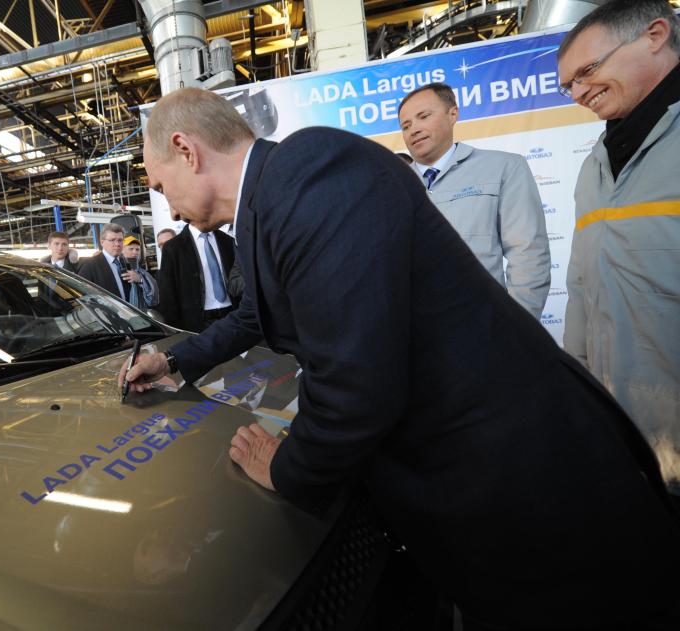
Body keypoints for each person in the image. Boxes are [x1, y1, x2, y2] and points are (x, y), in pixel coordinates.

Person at [122, 87, 680, 629]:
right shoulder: (270, 201)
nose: (162, 201)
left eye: (158, 182)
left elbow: (355, 384)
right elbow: (258, 313)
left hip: (515, 477)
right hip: (479, 468)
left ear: (188, 151)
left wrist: (289, 468)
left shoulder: (310, 172)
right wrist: (176, 363)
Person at [557, 0, 680, 489]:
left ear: (654, 35)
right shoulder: (596, 162)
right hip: (632, 432)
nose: (579, 92)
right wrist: (577, 389)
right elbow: (581, 284)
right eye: (569, 85)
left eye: (587, 71)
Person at [399, 83, 551, 320]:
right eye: (405, 126)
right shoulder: (392, 186)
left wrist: (518, 328)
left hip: (482, 328)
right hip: (412, 340)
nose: (414, 130)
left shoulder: (503, 167)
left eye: (423, 117)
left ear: (453, 114)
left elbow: (528, 253)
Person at [157, 225, 237, 332]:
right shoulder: (172, 247)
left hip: (234, 315)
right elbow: (168, 293)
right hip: (198, 322)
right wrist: (176, 331)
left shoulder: (228, 241)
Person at [78, 223, 129, 300]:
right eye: (112, 240)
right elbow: (82, 296)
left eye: (120, 240)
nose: (117, 244)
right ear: (102, 242)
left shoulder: (125, 263)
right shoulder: (89, 265)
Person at [120, 235, 159, 309]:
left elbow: (153, 299)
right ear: (122, 250)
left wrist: (141, 280)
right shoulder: (117, 269)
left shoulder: (144, 273)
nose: (135, 252)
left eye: (137, 249)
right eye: (131, 249)